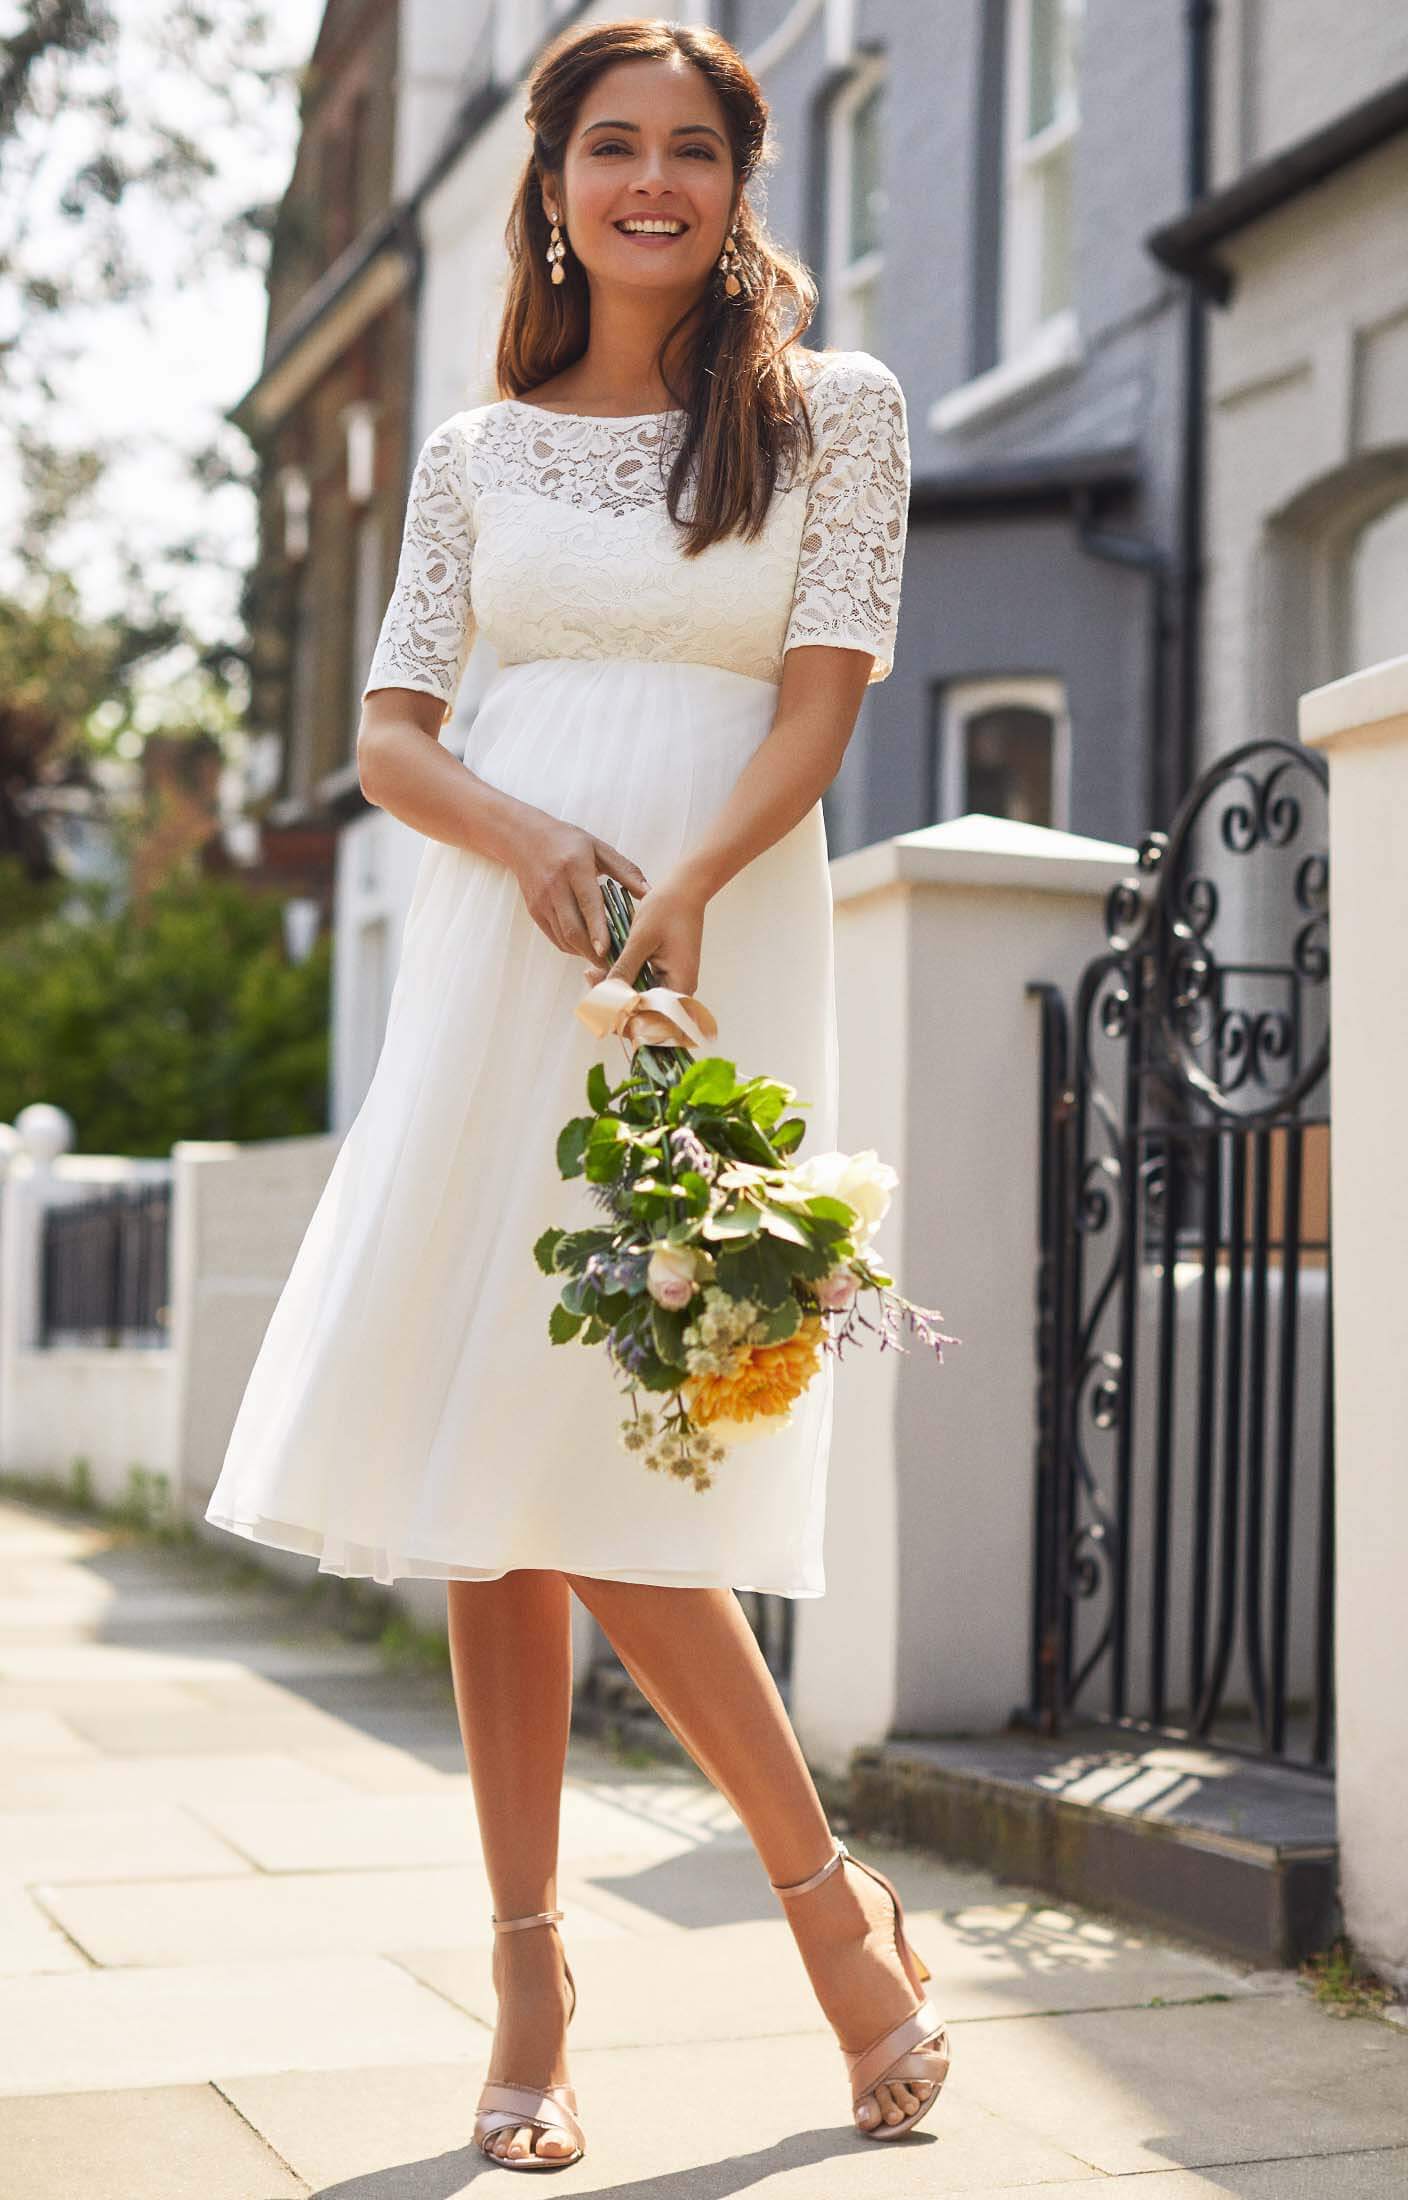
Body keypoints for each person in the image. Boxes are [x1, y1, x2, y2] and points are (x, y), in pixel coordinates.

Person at [203, 13, 949, 2172]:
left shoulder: (838, 416)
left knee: (613, 1453)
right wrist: (533, 845)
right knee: (484, 1466)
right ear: (550, 184)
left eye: (689, 149)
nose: (648, 182)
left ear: (739, 181)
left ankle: (826, 1927)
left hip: (708, 957)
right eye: (607, 147)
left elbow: (816, 703)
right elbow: (396, 740)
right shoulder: (473, 452)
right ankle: (531, 1976)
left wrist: (687, 881)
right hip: (501, 958)